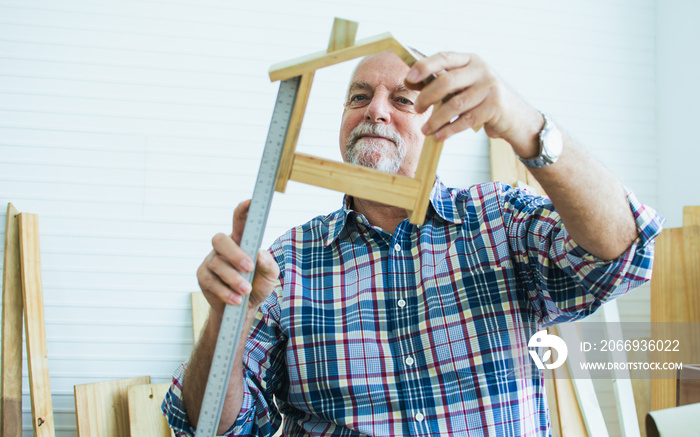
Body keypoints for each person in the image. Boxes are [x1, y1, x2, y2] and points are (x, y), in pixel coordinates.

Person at [162, 50, 663, 436]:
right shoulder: (287, 264)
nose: (375, 111)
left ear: (438, 124)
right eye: (359, 97)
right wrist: (230, 319)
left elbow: (624, 254)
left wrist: (524, 122)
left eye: (401, 100)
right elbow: (209, 427)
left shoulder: (499, 220)